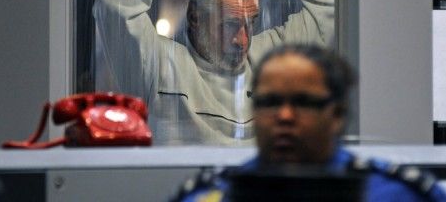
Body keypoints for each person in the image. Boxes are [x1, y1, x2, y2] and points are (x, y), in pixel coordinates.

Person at [96, 0, 334, 145]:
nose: (243, 40)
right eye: (230, 24)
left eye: (251, 23)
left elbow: (336, 2)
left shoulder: (271, 63)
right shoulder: (160, 66)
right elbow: (115, 5)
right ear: (194, 18)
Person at [172, 44, 446, 201]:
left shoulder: (398, 194)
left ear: (337, 115)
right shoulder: (212, 193)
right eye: (270, 102)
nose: (284, 116)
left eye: (303, 102)